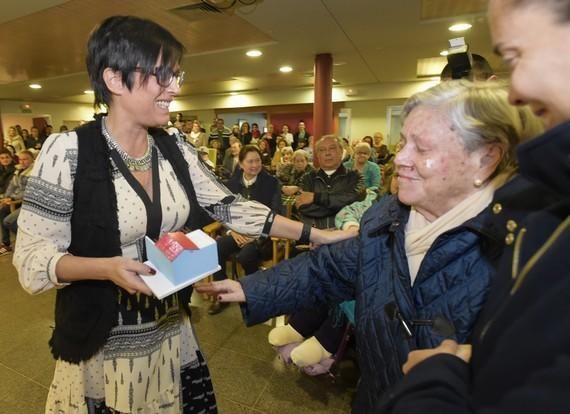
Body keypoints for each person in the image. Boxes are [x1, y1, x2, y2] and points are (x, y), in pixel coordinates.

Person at [13, 16, 354, 414]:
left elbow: (229, 206)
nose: (175, 88)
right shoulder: (66, 152)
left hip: (169, 325)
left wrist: (316, 235)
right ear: (114, 79)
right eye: (162, 75)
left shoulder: (173, 146)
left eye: (176, 75)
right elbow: (31, 261)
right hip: (104, 338)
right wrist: (105, 268)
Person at [196, 80, 544, 413]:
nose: (401, 158)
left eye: (421, 148)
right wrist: (248, 287)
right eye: (403, 141)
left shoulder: (527, 249)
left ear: (485, 158)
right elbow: (327, 269)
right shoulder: (388, 218)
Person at [376, 1, 570, 413]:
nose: (514, 91)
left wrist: (444, 377)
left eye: (517, 56)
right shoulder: (537, 206)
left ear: (485, 158)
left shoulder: (515, 220)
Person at [209, 145, 282, 315]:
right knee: (215, 248)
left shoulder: (272, 183)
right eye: (250, 161)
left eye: (258, 161)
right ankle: (223, 296)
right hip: (237, 233)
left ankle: (253, 298)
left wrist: (257, 235)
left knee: (246, 255)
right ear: (241, 164)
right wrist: (232, 230)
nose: (255, 165)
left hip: (262, 236)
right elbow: (223, 212)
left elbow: (276, 213)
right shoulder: (231, 184)